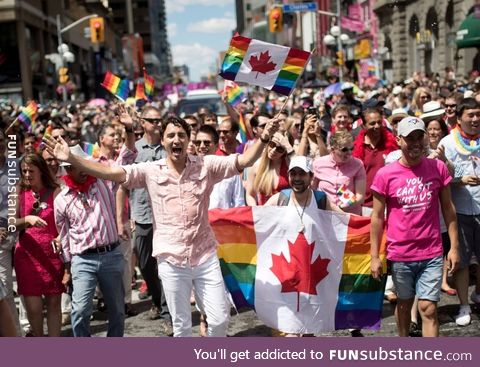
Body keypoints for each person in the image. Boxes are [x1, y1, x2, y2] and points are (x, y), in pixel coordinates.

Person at [44, 114, 280, 337]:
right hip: (171, 259)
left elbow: (246, 160)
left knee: (219, 319)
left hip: (205, 255)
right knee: (181, 327)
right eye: (170, 135)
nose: (176, 139)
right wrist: (73, 159)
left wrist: (264, 138)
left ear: (188, 139)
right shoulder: (151, 170)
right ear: (164, 141)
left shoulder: (206, 165)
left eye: (181, 135)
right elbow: (112, 173)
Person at [370, 116, 460, 337]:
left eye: (420, 137)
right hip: (400, 254)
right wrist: (374, 256)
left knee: (427, 308)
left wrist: (455, 247)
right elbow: (377, 217)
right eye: (410, 138)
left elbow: (448, 209)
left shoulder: (438, 168)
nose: (416, 143)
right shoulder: (385, 175)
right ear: (399, 140)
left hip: (431, 252)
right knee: (403, 304)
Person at [54, 145, 125, 337]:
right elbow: (64, 236)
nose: (83, 170)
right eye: (77, 166)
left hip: (111, 255)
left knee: (117, 310)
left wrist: (128, 129)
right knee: (80, 311)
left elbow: (125, 161)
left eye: (85, 165)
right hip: (82, 260)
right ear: (68, 169)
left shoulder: (103, 182)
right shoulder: (61, 200)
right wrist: (68, 266)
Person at [114, 106, 171, 331]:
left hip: (167, 217)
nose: (157, 124)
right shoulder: (134, 150)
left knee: (165, 266)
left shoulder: (170, 147)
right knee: (146, 266)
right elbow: (122, 187)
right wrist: (122, 220)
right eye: (152, 120)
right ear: (142, 122)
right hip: (142, 217)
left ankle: (168, 316)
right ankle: (156, 301)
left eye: (159, 120)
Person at [438, 97, 480, 326]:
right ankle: (464, 305)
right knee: (462, 262)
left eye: (478, 114)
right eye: (470, 115)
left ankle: (477, 295)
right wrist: (459, 179)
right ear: (460, 117)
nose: (475, 119)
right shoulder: (448, 142)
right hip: (460, 210)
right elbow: (441, 179)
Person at [15, 153, 65, 337]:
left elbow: (66, 223)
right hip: (27, 256)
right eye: (24, 171)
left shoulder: (56, 191)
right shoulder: (18, 191)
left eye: (31, 170)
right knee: (34, 308)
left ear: (42, 171)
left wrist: (62, 239)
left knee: (53, 304)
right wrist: (27, 219)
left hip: (52, 255)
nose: (27, 174)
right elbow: (11, 223)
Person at [352, 107, 398, 215]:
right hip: (365, 206)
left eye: (379, 122)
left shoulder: (392, 144)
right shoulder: (355, 147)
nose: (377, 126)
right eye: (372, 123)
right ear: (363, 126)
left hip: (389, 203)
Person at [313, 131, 366, 215]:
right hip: (324, 214)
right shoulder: (318, 163)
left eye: (351, 148)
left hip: (349, 215)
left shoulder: (358, 164)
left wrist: (342, 207)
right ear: (332, 149)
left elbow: (360, 196)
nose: (349, 153)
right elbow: (312, 190)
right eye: (344, 149)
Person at [246, 132, 293, 206]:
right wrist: (256, 210)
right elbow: (250, 195)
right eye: (272, 144)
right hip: (263, 214)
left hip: (285, 215)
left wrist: (289, 147)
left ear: (285, 152)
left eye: (280, 149)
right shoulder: (257, 165)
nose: (274, 150)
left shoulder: (290, 166)